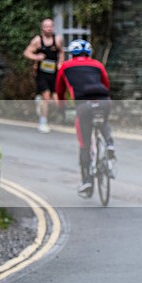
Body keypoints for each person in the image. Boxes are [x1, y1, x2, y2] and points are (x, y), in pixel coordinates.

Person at [55, 39, 116, 198]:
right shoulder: (97, 65)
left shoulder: (65, 67)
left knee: (85, 144)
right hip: (103, 102)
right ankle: (109, 143)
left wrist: (61, 109)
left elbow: (60, 91)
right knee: (104, 122)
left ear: (72, 53)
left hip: (84, 106)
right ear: (88, 53)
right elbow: (106, 85)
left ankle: (87, 181)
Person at [24, 18, 64, 133]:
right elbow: (27, 52)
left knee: (56, 102)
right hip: (42, 73)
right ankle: (43, 121)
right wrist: (36, 57)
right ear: (42, 28)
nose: (49, 28)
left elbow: (61, 52)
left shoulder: (58, 40)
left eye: (51, 26)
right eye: (46, 26)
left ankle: (40, 103)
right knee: (46, 96)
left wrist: (60, 63)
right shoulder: (38, 40)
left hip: (54, 73)